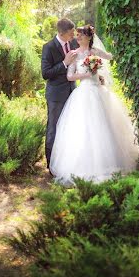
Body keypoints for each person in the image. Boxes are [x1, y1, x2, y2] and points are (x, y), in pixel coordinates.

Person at [50, 25, 139, 185]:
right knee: (84, 128)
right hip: (83, 93)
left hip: (99, 92)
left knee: (103, 126)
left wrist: (119, 49)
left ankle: (108, 163)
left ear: (89, 37)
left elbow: (110, 57)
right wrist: (86, 75)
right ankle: (84, 166)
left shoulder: (95, 53)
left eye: (81, 35)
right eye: (77, 36)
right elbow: (70, 76)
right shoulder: (74, 54)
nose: (78, 38)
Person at [41, 18, 79, 171]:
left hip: (73, 94)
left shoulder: (74, 43)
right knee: (53, 128)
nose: (73, 35)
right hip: (56, 96)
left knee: (69, 128)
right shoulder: (49, 47)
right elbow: (46, 73)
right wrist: (64, 63)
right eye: (71, 33)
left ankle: (65, 162)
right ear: (62, 33)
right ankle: (51, 165)